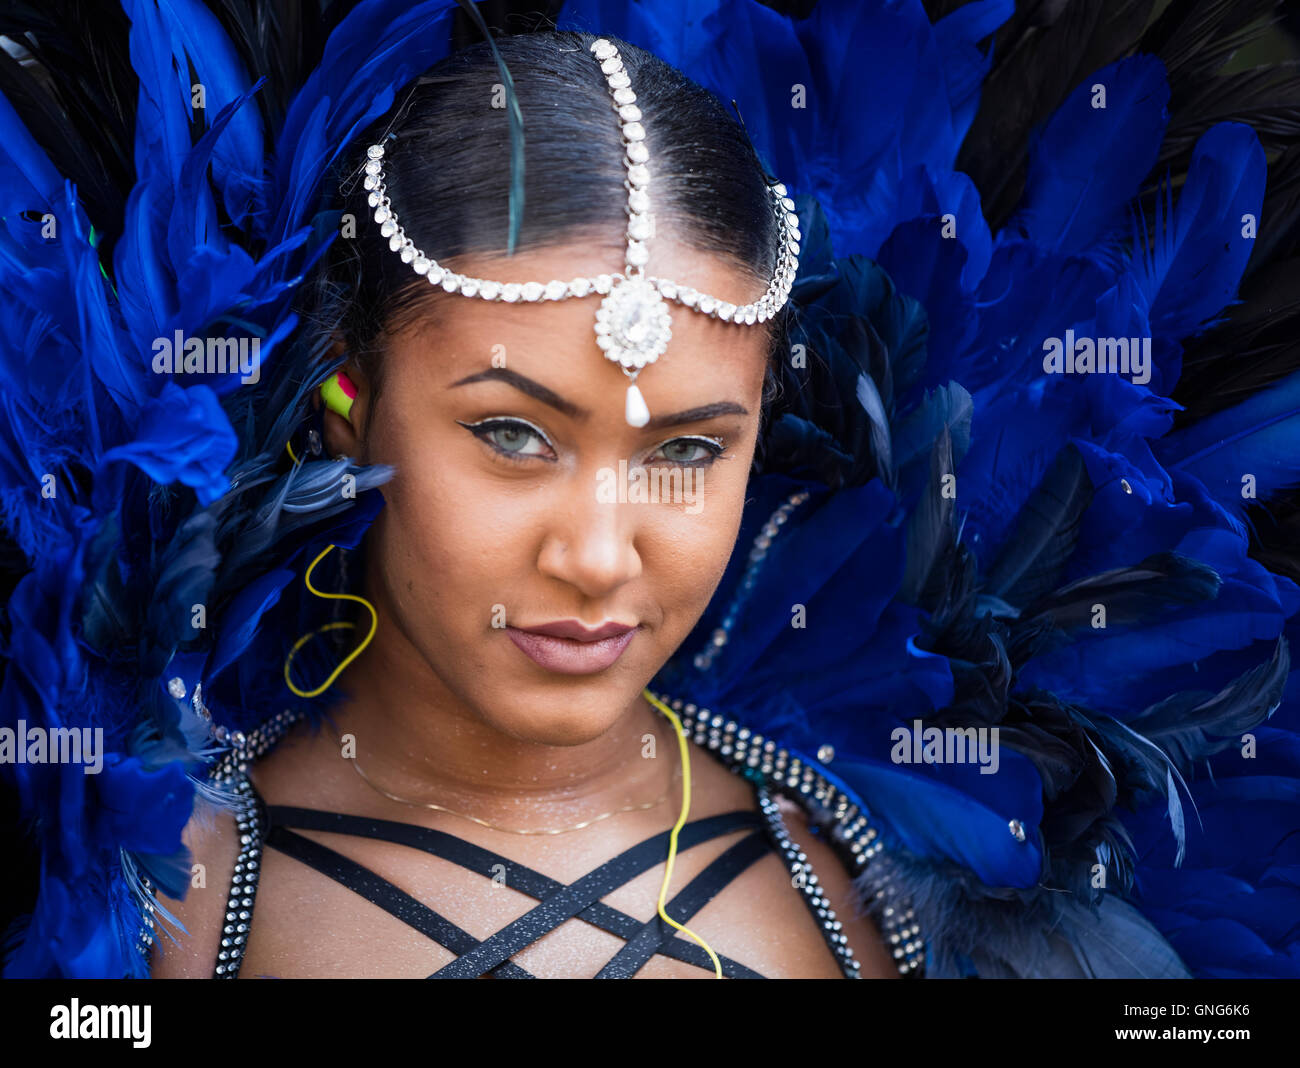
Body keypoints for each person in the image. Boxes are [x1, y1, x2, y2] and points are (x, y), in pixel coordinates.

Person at [1, 0, 1298, 980]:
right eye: (514, 436)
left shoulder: (882, 904)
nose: (599, 554)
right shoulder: (160, 900)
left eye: (685, 449)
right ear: (350, 397)